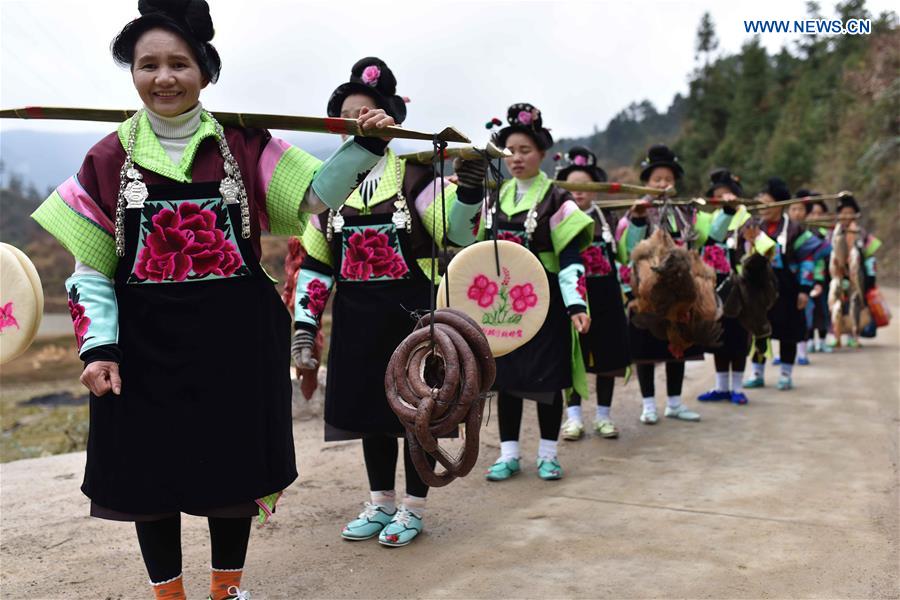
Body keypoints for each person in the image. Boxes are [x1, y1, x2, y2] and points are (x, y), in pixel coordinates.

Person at [32, 3, 397, 598]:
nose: (164, 77)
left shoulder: (243, 144)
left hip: (236, 342)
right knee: (148, 476)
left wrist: (364, 147)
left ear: (205, 70)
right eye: (148, 64)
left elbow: (314, 197)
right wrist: (98, 349)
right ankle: (168, 592)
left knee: (232, 472)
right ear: (132, 73)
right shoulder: (106, 158)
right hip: (142, 348)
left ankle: (227, 589)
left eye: (179, 63)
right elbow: (91, 270)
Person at [291, 57, 486, 547]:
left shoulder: (418, 179)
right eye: (345, 119)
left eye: (367, 114)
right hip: (355, 318)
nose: (356, 124)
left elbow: (459, 234)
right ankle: (380, 503)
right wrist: (303, 328)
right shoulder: (325, 191)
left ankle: (414, 508)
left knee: (419, 412)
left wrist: (468, 190)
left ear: (390, 122)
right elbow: (317, 267)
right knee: (370, 415)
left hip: (414, 318)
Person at [480, 103, 593, 481]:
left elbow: (572, 256)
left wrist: (576, 302)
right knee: (506, 378)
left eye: (525, 150)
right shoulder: (494, 197)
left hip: (544, 305)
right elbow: (477, 251)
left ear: (542, 153)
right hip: (501, 307)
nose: (516, 158)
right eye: (510, 150)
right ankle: (509, 454)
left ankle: (548, 454)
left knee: (547, 380)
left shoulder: (558, 199)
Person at [616, 145, 701, 424]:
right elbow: (628, 248)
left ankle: (675, 403)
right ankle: (649, 405)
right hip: (645, 292)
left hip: (678, 292)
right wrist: (638, 219)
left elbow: (692, 244)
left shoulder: (683, 212)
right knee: (646, 350)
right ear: (646, 182)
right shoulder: (634, 212)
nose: (663, 184)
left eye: (668, 179)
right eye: (657, 180)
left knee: (678, 344)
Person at [556, 147, 630, 440]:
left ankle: (603, 416)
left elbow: (622, 254)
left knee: (607, 361)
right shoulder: (557, 217)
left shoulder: (609, 219)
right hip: (573, 298)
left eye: (585, 185)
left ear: (595, 189)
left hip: (607, 297)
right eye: (572, 185)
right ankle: (573, 418)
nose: (579, 192)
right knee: (573, 357)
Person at [695, 169, 774, 405]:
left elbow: (766, 249)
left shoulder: (748, 219)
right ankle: (721, 387)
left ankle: (738, 388)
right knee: (719, 340)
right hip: (717, 289)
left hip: (744, 291)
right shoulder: (709, 219)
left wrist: (754, 239)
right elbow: (704, 241)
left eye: (728, 195)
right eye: (718, 196)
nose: (724, 200)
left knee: (740, 340)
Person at [743, 178, 827, 391]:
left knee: (789, 332)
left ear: (780, 204)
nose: (763, 208)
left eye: (768, 203)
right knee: (759, 331)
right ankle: (757, 373)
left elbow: (808, 261)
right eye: (761, 203)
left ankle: (786, 375)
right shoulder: (754, 227)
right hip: (760, 291)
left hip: (788, 290)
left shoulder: (794, 230)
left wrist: (804, 290)